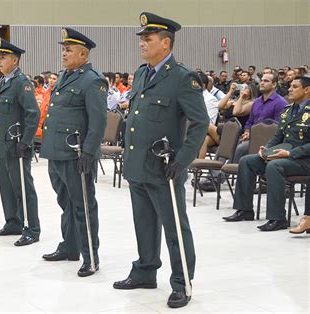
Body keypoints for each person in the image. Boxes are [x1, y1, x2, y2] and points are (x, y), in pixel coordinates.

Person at [113, 13, 208, 309]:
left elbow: (201, 122)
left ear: (165, 43)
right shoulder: (142, 73)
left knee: (174, 227)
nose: (142, 43)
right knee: (143, 223)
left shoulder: (182, 78)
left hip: (165, 167)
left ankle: (182, 283)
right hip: (138, 164)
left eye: (148, 38)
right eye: (141, 38)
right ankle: (145, 270)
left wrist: (183, 159)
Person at [39, 27, 107, 277]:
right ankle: (69, 247)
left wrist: (89, 153)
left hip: (76, 154)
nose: (64, 54)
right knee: (65, 202)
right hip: (57, 152)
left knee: (83, 205)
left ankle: (90, 257)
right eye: (64, 49)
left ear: (83, 53)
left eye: (69, 50)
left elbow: (98, 122)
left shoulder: (93, 80)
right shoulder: (65, 76)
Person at [223, 77, 310, 231]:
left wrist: (289, 153)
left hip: (303, 160)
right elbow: (278, 136)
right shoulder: (288, 110)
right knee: (247, 161)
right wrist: (266, 148)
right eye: (290, 86)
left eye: (295, 86)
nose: (289, 89)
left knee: (274, 166)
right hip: (283, 153)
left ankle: (278, 218)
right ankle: (244, 210)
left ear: (307, 90)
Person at [0, 38, 41, 246]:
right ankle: (13, 221)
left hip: (17, 145)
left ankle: (32, 228)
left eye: (3, 57)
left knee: (23, 188)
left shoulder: (21, 82)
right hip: (3, 145)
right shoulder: (3, 81)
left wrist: (26, 142)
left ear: (15, 60)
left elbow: (33, 114)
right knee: (6, 187)